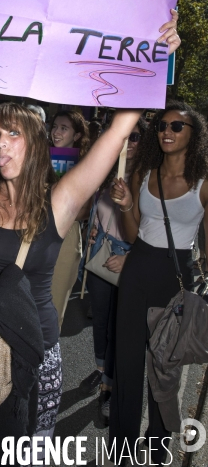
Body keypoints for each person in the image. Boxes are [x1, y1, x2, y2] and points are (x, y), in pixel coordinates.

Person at [0, 0, 180, 465]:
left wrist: (156, 54)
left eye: (12, 134)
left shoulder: (60, 203)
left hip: (38, 354)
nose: (0, 145)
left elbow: (120, 128)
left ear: (36, 142)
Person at [109, 101, 208, 466]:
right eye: (162, 126)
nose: (167, 131)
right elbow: (134, 235)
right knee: (129, 360)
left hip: (176, 277)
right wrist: (125, 203)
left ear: (194, 136)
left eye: (177, 127)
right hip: (139, 270)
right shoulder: (143, 173)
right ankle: (121, 443)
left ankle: (156, 441)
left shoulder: (203, 184)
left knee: (164, 364)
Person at [84, 118, 147, 426]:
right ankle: (100, 369)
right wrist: (94, 229)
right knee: (100, 320)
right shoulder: (108, 168)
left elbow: (154, 229)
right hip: (101, 252)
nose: (130, 141)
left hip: (128, 257)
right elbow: (98, 207)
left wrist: (131, 258)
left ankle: (109, 385)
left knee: (117, 326)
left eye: (135, 136)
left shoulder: (148, 177)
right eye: (125, 135)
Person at [50, 109, 90, 328]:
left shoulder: (85, 166)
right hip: (33, 231)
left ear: (76, 136)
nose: (56, 132)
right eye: (54, 126)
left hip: (67, 236)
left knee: (54, 303)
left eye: (63, 128)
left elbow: (85, 211)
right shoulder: (37, 159)